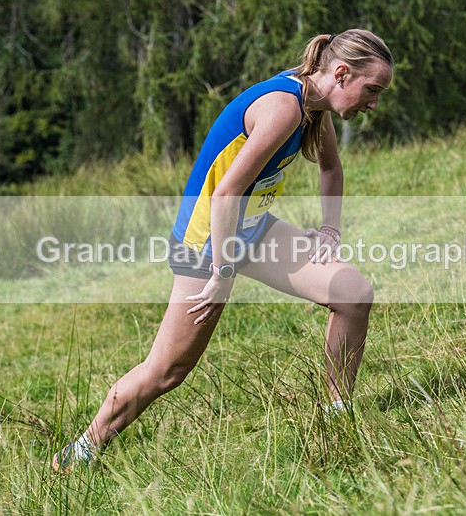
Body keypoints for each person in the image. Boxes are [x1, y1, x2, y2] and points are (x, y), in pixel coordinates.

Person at [53, 28, 393, 472]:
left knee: (353, 294)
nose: (374, 103)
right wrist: (223, 272)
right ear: (343, 73)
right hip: (208, 244)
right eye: (372, 90)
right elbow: (226, 193)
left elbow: (331, 166)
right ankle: (81, 451)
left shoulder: (314, 104)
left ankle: (336, 419)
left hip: (251, 227)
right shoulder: (285, 108)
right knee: (167, 371)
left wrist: (330, 230)